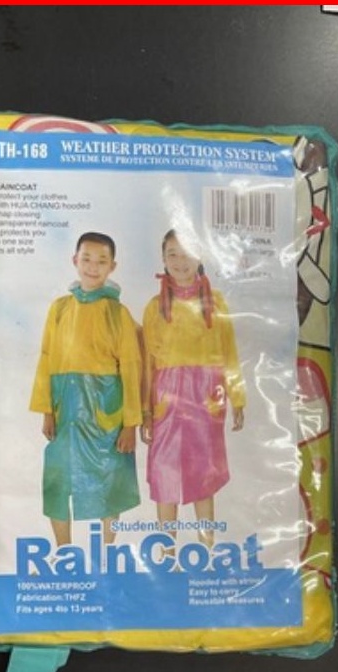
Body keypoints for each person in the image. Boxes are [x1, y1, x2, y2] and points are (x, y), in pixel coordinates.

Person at [29, 232, 142, 547]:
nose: (93, 267)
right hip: (65, 407)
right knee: (57, 480)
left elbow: (131, 368)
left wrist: (130, 425)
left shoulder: (118, 313)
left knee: (111, 479)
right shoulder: (59, 308)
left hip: (106, 411)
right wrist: (47, 411)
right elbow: (46, 357)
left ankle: (108, 551)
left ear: (112, 266)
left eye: (101, 261)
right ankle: (64, 551)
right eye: (87, 259)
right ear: (75, 260)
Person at [141, 229, 245, 547]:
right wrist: (145, 411)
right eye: (172, 254)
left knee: (204, 473)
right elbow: (147, 363)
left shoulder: (215, 302)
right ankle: (166, 552)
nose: (179, 261)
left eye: (186, 253)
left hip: (205, 395)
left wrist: (237, 397)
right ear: (163, 259)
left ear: (199, 257)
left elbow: (228, 352)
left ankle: (206, 550)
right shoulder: (155, 307)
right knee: (164, 473)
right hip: (166, 398)